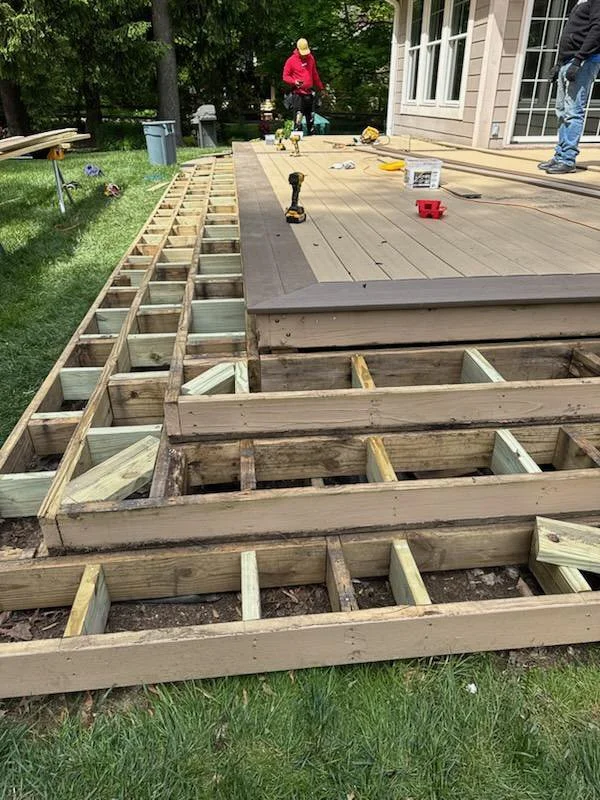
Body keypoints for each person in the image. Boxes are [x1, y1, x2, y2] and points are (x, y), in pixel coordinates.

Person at [539, 0, 600, 174]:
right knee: (561, 110)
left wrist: (578, 60)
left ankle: (567, 159)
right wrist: (559, 64)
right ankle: (560, 155)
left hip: (583, 62)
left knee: (573, 111)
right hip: (568, 61)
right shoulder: (581, 2)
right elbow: (571, 34)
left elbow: (597, 30)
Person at [282, 38, 324, 134]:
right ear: (298, 49)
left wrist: (321, 87)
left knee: (311, 118)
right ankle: (297, 136)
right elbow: (285, 76)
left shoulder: (311, 58)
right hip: (298, 94)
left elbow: (314, 74)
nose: (305, 55)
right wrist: (294, 82)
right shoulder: (291, 61)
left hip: (309, 93)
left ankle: (312, 136)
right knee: (298, 119)